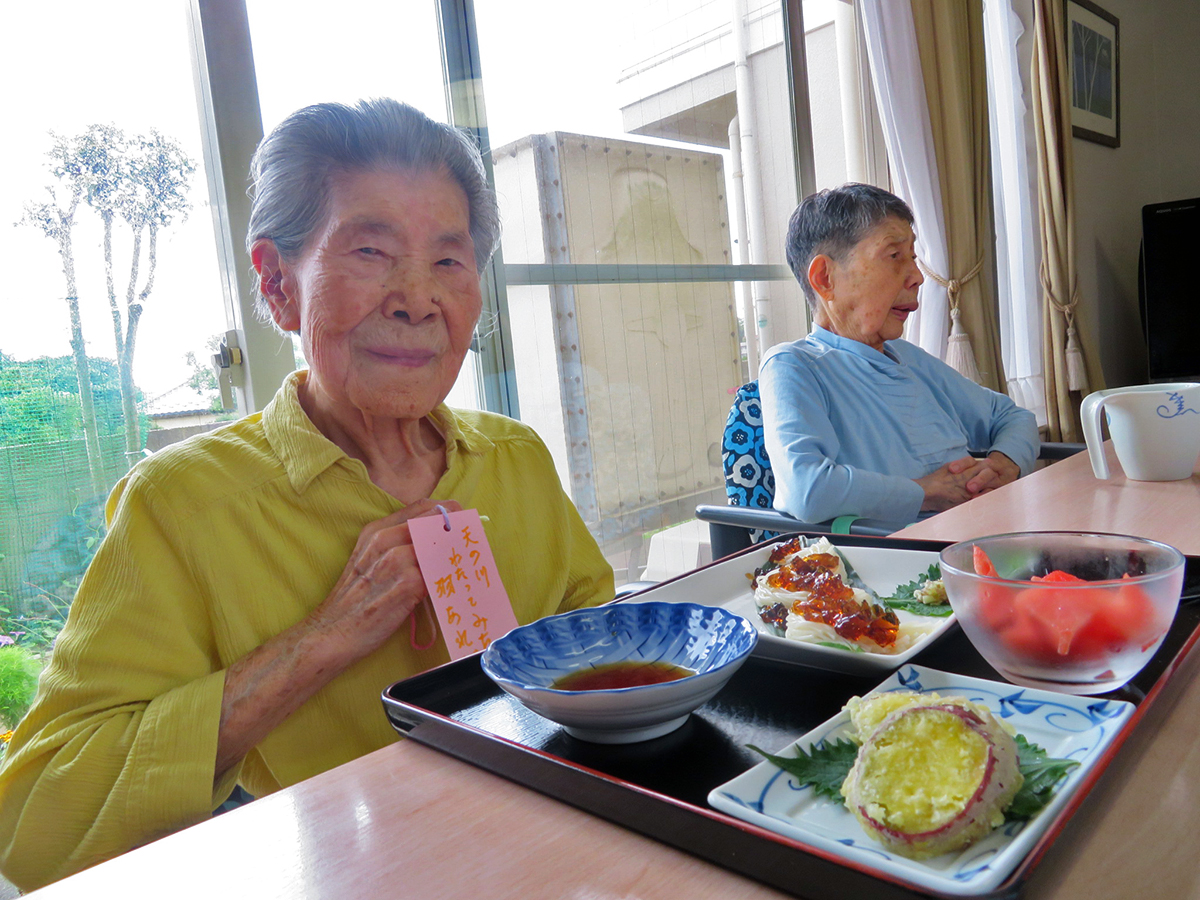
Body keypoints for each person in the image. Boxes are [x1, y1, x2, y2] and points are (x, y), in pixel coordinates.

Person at [0, 99, 614, 891]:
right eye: (370, 250)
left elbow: (606, 647)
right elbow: (35, 819)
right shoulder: (185, 503)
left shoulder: (516, 459)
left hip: (561, 857)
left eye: (449, 262)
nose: (417, 298)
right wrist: (321, 638)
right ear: (275, 283)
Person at [760, 183, 1038, 528]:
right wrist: (925, 492)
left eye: (913, 258)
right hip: (907, 562)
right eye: (894, 256)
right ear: (824, 278)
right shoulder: (794, 365)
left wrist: (1003, 463)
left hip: (987, 531)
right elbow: (807, 488)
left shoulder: (908, 358)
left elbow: (1013, 418)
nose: (917, 277)